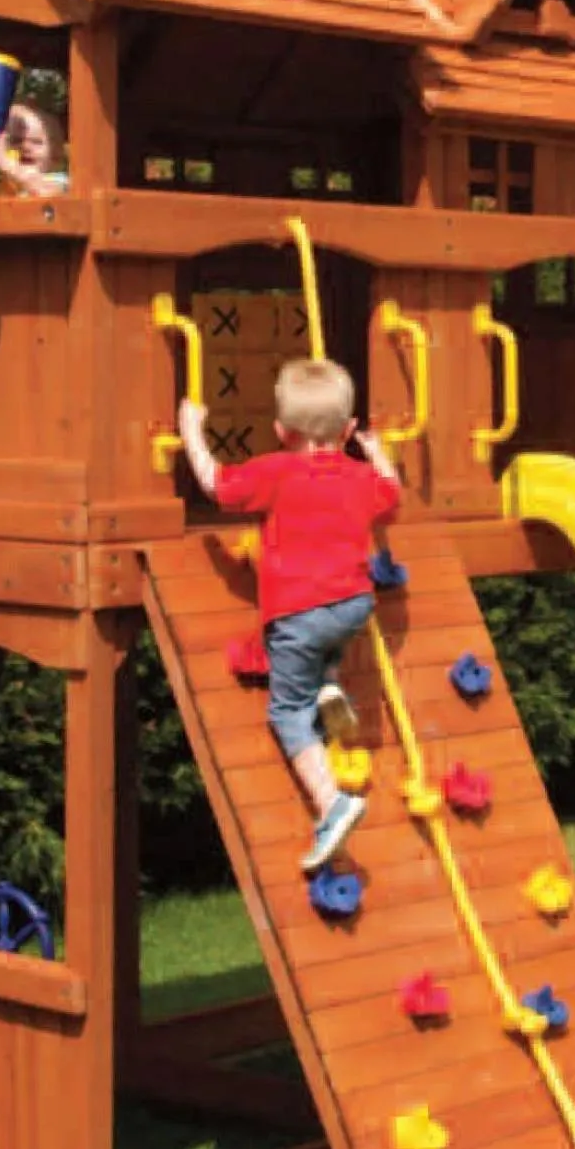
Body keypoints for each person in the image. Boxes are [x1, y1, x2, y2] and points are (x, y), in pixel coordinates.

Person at [178, 359, 401, 873]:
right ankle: (328, 687)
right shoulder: (359, 475)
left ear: (281, 431)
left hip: (298, 612)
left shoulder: (276, 471)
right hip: (354, 604)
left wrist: (193, 430)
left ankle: (332, 803)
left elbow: (217, 486)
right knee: (327, 641)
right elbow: (393, 496)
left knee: (285, 711)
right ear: (347, 431)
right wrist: (377, 454)